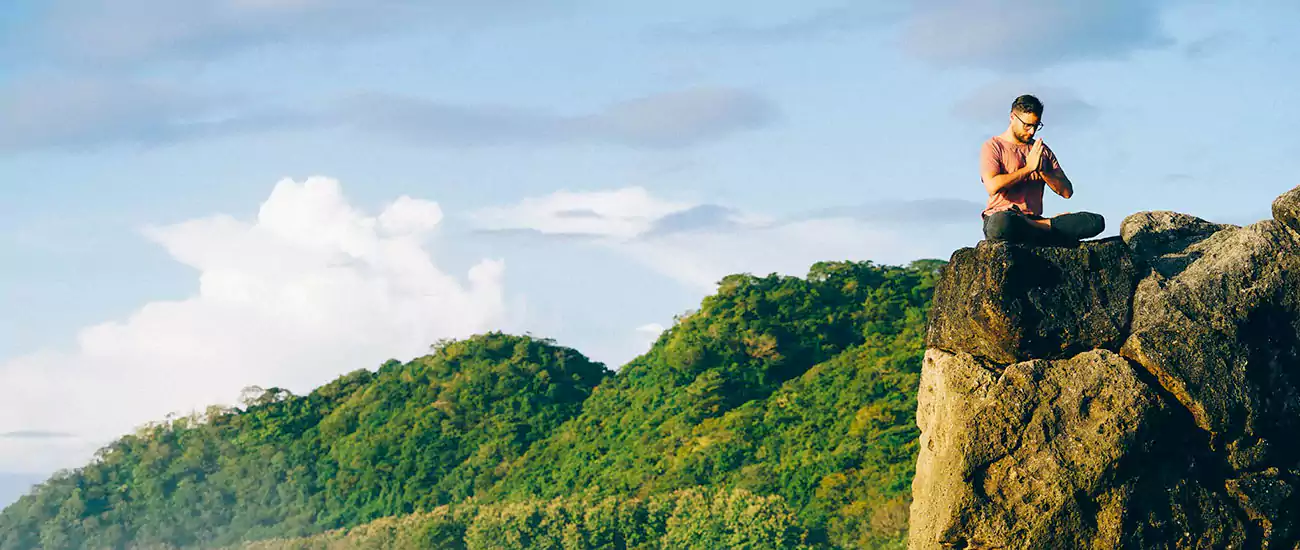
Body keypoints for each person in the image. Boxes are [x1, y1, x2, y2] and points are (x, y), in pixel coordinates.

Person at [980, 94, 1104, 245]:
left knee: (1094, 222)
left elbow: (1067, 192)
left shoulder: (1041, 151)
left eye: (1036, 125)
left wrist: (1043, 172)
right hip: (1004, 217)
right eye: (1027, 125)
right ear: (1012, 117)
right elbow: (992, 186)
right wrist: (1028, 168)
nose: (1032, 131)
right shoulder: (993, 146)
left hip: (1033, 219)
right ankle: (1045, 228)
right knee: (1000, 225)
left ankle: (1038, 226)